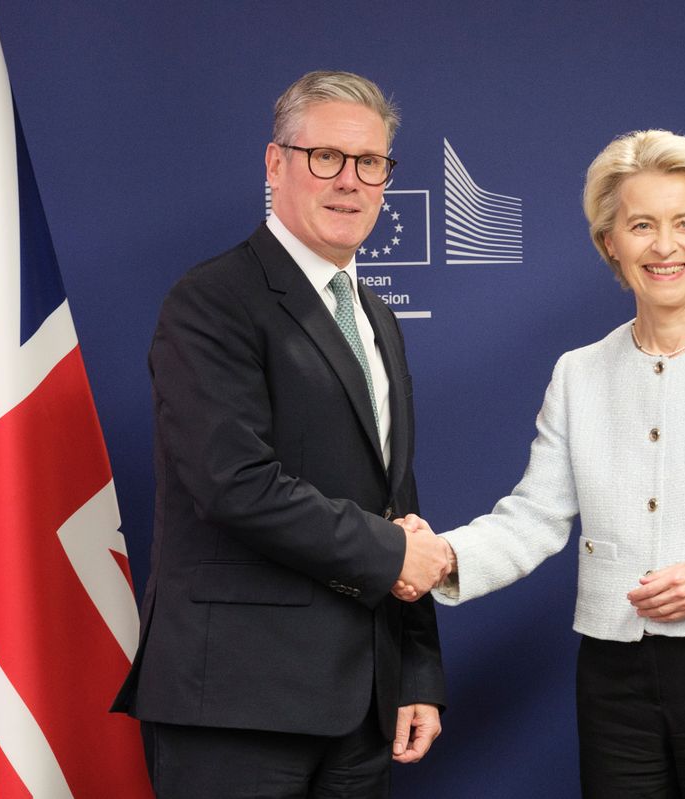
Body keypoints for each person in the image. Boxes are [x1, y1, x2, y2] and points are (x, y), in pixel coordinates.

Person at [397, 129, 685, 797]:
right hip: (615, 679)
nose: (664, 246)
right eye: (641, 225)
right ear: (610, 242)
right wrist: (444, 555)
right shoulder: (579, 373)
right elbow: (534, 517)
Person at [112, 70, 451, 798]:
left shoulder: (376, 316)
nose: (350, 180)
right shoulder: (212, 301)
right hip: (237, 703)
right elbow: (234, 483)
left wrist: (417, 670)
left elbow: (397, 501)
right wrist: (394, 553)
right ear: (275, 163)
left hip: (363, 704)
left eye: (370, 162)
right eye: (325, 156)